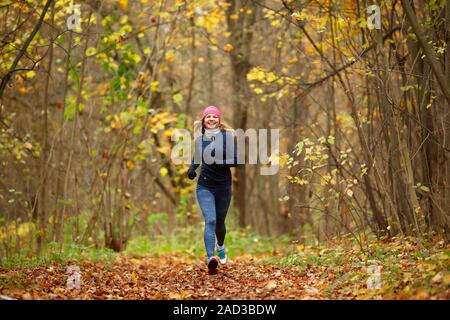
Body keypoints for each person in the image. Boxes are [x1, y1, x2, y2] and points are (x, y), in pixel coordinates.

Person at [187, 106, 237, 275]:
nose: (211, 119)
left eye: (214, 117)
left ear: (218, 120)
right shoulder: (200, 140)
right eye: (208, 116)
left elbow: (237, 160)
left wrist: (220, 162)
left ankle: (220, 246)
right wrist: (191, 169)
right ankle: (211, 258)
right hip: (205, 186)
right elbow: (197, 158)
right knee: (210, 220)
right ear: (203, 120)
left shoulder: (227, 138)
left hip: (223, 186)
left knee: (220, 223)